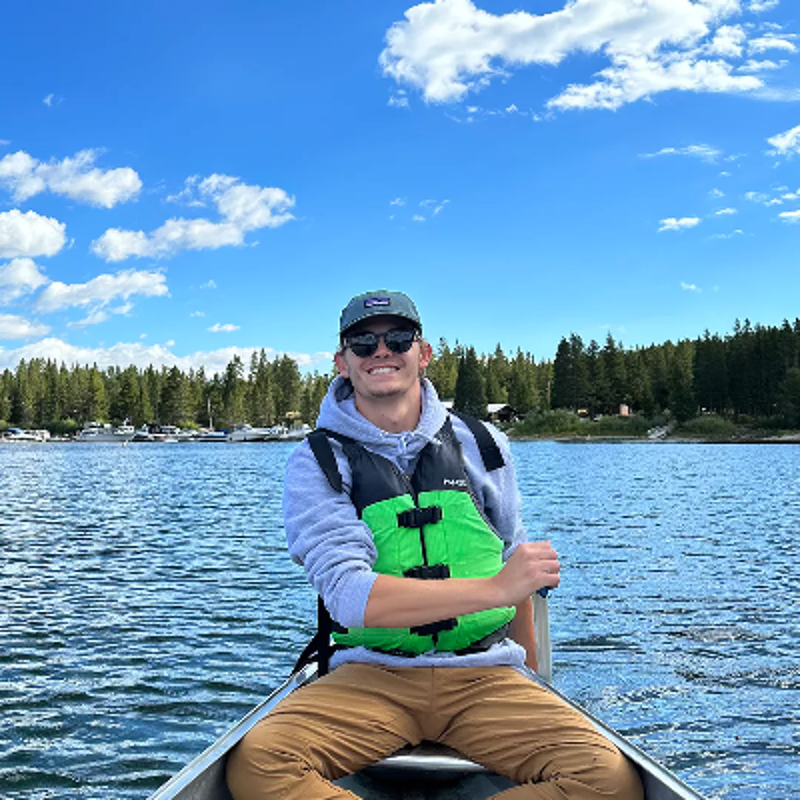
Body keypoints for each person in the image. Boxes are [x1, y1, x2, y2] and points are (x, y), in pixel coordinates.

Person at [227, 290, 643, 800]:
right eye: (363, 341)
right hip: (372, 676)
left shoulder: (483, 443)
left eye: (397, 338)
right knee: (257, 764)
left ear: (422, 354)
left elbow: (516, 565)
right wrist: (495, 589)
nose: (381, 350)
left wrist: (532, 678)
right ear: (342, 363)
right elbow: (351, 598)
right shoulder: (317, 461)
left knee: (609, 779)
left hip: (484, 676)